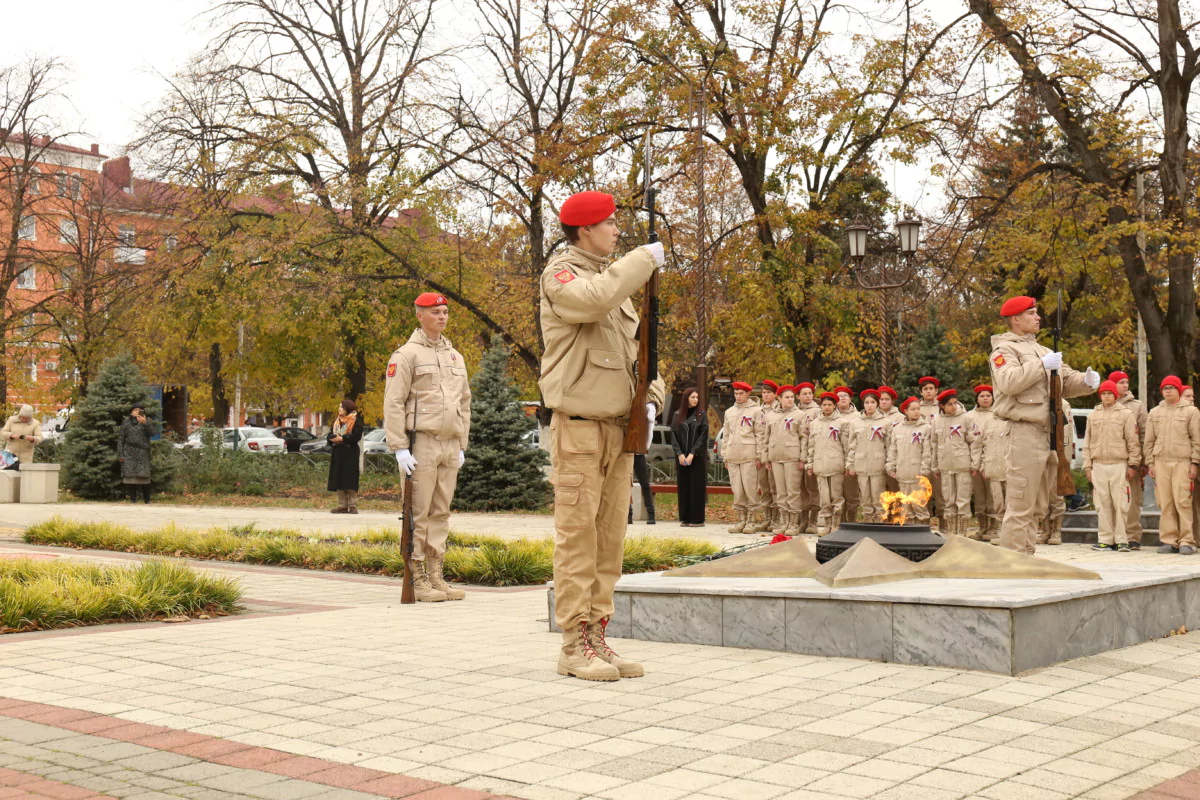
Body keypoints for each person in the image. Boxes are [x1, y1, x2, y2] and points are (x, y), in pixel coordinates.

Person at [537, 190, 665, 681]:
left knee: (610, 540)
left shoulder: (615, 285)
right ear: (585, 230)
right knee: (578, 539)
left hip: (619, 429)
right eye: (610, 224)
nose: (617, 231)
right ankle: (573, 645)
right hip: (580, 430)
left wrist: (651, 400)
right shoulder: (563, 276)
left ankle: (597, 635)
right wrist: (640, 261)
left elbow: (641, 356)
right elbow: (591, 301)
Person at [989, 296, 1099, 554]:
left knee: (1038, 503)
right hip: (1024, 430)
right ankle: (1013, 561)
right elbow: (1009, 382)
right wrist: (1040, 366)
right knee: (1020, 502)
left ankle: (1026, 556)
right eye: (1032, 313)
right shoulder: (1004, 350)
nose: (1038, 317)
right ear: (1016, 319)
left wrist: (1087, 380)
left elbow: (1065, 382)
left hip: (1049, 432)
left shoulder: (1045, 351)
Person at [385, 291, 472, 603]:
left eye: (444, 311)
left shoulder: (455, 356)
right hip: (420, 442)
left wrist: (462, 443)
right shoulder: (406, 356)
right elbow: (393, 403)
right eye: (434, 311)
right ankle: (417, 577)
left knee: (441, 511)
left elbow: (465, 402)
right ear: (418, 315)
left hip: (449, 444)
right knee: (418, 512)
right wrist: (398, 447)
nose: (442, 316)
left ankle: (436, 575)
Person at [1145, 375, 1200, 555]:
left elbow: (1196, 440)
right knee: (1166, 502)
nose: (1168, 390)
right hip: (1161, 462)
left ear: (1179, 390)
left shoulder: (1191, 412)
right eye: (1165, 388)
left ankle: (1187, 540)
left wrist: (1194, 462)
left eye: (1171, 387)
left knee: (1183, 501)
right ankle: (1169, 540)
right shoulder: (1155, 412)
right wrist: (1150, 463)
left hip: (1182, 462)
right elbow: (1149, 441)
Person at [1084, 380, 1140, 552]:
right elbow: (1087, 442)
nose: (1106, 396)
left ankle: (1122, 539)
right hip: (1099, 464)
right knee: (1102, 503)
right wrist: (1087, 466)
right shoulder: (1093, 415)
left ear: (1115, 395)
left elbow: (1133, 442)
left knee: (1121, 502)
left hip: (1119, 464)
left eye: (1109, 393)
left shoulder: (1125, 414)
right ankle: (1105, 539)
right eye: (1103, 393)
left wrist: (1133, 464)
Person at [806, 392, 852, 536]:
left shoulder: (842, 423)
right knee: (824, 497)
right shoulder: (814, 424)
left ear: (835, 405)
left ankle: (836, 524)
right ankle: (826, 524)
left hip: (835, 463)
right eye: (824, 405)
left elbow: (847, 445)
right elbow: (811, 446)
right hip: (820, 464)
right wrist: (810, 463)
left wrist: (847, 464)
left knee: (836, 496)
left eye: (829, 405)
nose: (826, 407)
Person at [1111, 371, 1148, 549]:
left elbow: (1144, 434)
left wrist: (1142, 461)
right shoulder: (1102, 406)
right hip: (1110, 461)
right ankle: (1112, 536)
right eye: (1121, 382)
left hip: (1130, 460)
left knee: (1131, 500)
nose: (1125, 385)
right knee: (1110, 501)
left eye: (1126, 382)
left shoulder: (1137, 406)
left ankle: (1132, 536)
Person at [721, 381, 764, 534]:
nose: (738, 396)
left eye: (741, 393)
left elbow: (760, 434)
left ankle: (751, 521)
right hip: (733, 455)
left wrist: (759, 456)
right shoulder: (729, 412)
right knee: (737, 490)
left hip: (749, 455)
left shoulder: (757, 411)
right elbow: (726, 435)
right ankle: (741, 520)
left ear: (747, 394)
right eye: (736, 393)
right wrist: (725, 455)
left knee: (750, 488)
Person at [931, 389, 974, 536]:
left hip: (962, 464)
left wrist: (974, 464)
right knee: (948, 499)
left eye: (955, 403)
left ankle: (962, 532)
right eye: (949, 404)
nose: (953, 407)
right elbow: (933, 444)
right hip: (945, 466)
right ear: (942, 406)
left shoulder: (965, 418)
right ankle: (950, 531)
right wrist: (934, 465)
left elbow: (974, 442)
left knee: (962, 499)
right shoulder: (936, 421)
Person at [765, 386, 805, 535]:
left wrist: (803, 458)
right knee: (780, 492)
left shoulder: (799, 415)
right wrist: (766, 457)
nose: (790, 399)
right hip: (775, 457)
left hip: (792, 457)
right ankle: (784, 522)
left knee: (792, 491)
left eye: (791, 397)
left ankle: (794, 523)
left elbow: (804, 438)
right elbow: (766, 438)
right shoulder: (771, 415)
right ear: (779, 398)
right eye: (786, 397)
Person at [886, 397, 932, 522]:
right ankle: (910, 533)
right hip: (902, 473)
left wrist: (925, 470)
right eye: (913, 409)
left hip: (918, 473)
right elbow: (893, 450)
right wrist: (891, 467)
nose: (916, 412)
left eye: (918, 409)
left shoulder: (926, 428)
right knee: (906, 505)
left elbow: (927, 451)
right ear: (905, 411)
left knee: (919, 504)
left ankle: (923, 531)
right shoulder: (898, 429)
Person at [849, 389, 890, 522]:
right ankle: (867, 518)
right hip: (861, 464)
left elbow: (889, 446)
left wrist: (889, 464)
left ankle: (879, 518)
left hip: (878, 463)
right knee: (865, 495)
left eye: (873, 402)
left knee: (878, 494)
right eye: (867, 402)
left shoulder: (885, 422)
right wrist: (850, 464)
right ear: (863, 404)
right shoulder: (855, 422)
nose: (870, 405)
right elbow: (852, 446)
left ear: (877, 404)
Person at [672, 387, 708, 527]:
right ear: (686, 398)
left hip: (696, 456)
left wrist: (693, 453)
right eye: (692, 397)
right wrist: (680, 454)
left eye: (697, 397)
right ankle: (685, 518)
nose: (695, 400)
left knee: (697, 486)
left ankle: (697, 519)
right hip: (681, 456)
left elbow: (703, 435)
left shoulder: (701, 415)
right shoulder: (677, 414)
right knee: (684, 486)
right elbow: (673, 435)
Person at [964, 385, 996, 539]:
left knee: (993, 495)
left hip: (993, 460)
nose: (985, 398)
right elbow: (967, 441)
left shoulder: (998, 414)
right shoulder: (969, 417)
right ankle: (982, 527)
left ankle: (993, 528)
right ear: (977, 398)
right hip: (973, 462)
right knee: (980, 496)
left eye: (988, 396)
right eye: (982, 396)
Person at [327, 398, 365, 514]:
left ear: (347, 408)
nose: (339, 409)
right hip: (338, 453)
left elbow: (357, 436)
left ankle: (352, 505)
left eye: (341, 407)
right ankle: (342, 505)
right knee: (339, 478)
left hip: (350, 453)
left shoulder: (355, 421)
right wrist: (332, 438)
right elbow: (329, 434)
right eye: (339, 407)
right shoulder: (337, 421)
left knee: (350, 478)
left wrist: (343, 439)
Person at [754, 380, 781, 533]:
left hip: (774, 454)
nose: (766, 395)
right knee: (764, 487)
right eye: (763, 392)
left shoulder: (779, 410)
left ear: (775, 394)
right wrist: (758, 455)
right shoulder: (758, 412)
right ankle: (767, 518)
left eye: (769, 392)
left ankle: (777, 520)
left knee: (775, 487)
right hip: (760, 453)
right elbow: (757, 434)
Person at [796, 382, 822, 533]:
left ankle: (814, 519)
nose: (807, 396)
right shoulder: (794, 410)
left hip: (812, 452)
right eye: (804, 394)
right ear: (798, 396)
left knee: (812, 486)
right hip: (796, 452)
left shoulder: (817, 411)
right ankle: (803, 518)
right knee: (800, 487)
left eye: (810, 393)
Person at [117, 406, 156, 504]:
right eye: (135, 410)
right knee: (130, 477)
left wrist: (145, 423)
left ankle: (147, 500)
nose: (137, 411)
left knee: (144, 477)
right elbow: (121, 440)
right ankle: (133, 500)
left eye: (139, 410)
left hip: (143, 452)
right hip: (129, 452)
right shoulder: (126, 423)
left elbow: (153, 433)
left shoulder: (146, 421)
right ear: (131, 412)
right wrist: (121, 454)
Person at [834, 386, 860, 522]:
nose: (843, 398)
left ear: (850, 399)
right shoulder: (831, 416)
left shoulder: (858, 416)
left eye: (845, 395)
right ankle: (839, 520)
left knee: (851, 492)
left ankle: (852, 520)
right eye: (839, 396)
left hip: (852, 458)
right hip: (835, 458)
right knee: (837, 492)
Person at [628, 454, 655, 524]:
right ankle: (628, 513)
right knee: (626, 485)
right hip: (626, 454)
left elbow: (647, 443)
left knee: (645, 484)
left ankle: (651, 513)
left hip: (639, 454)